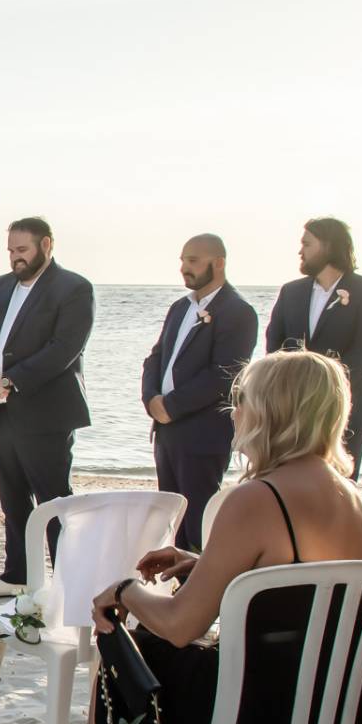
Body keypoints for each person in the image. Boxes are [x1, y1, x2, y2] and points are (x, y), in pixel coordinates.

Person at [40, 351, 362, 724]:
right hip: (331, 703)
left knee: (126, 645)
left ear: (272, 411)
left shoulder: (257, 498)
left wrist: (124, 591)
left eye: (241, 401)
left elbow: (182, 624)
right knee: (156, 648)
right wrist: (205, 561)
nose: (234, 413)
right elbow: (298, 583)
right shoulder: (350, 497)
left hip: (256, 713)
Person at [0, 217, 95, 598]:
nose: (15, 259)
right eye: (11, 251)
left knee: (53, 499)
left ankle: (68, 583)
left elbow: (64, 349)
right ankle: (17, 576)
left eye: (23, 251)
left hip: (46, 413)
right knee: (12, 498)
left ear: (46, 245)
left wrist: (10, 380)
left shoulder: (73, 288)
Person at [139, 234, 260, 551]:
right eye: (182, 260)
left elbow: (225, 374)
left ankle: (203, 588)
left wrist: (172, 406)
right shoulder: (180, 308)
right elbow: (155, 357)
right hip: (166, 430)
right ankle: (180, 586)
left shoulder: (238, 312)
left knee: (199, 520)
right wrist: (152, 400)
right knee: (172, 516)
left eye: (192, 261)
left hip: (203, 432)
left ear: (218, 262)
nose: (184, 268)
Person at [264, 217, 362, 479]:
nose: (301, 251)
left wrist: (321, 390)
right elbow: (274, 347)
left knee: (339, 490)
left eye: (307, 244)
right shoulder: (291, 292)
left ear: (329, 246)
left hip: (343, 409)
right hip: (291, 412)